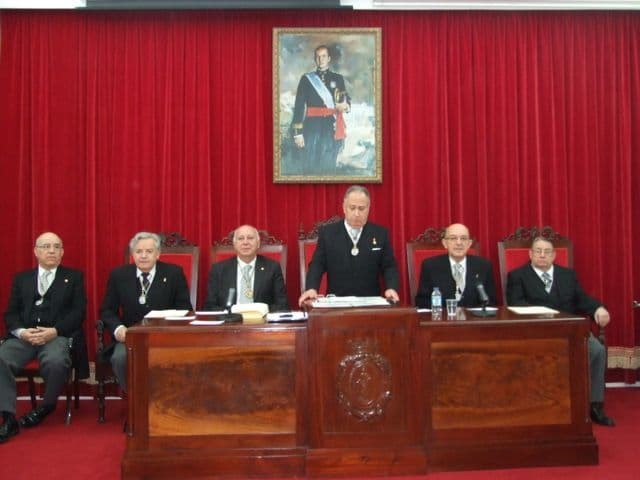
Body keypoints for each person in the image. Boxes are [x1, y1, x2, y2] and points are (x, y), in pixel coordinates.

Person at [506, 236, 614, 427]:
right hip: (537, 333)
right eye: (537, 251)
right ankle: (541, 404)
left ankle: (594, 404)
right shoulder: (517, 276)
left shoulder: (567, 275)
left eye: (547, 252)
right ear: (530, 254)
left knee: (596, 350)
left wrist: (598, 308)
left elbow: (582, 299)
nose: (542, 255)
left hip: (571, 331)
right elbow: (516, 304)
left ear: (554, 255)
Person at [0, 232, 86, 443]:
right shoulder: (22, 279)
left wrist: (54, 331)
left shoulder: (74, 277)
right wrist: (22, 332)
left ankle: (47, 406)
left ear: (62, 252)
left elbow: (78, 312)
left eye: (56, 247)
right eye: (46, 246)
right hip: (25, 336)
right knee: (1, 358)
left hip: (56, 335)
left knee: (56, 361)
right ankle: (8, 418)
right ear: (36, 251)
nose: (51, 251)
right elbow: (11, 313)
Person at [100, 231, 192, 392]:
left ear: (157, 254)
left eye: (149, 252)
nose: (143, 256)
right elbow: (107, 310)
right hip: (130, 337)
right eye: (139, 251)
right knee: (120, 358)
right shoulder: (119, 275)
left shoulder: (173, 273)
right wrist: (118, 329)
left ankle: (163, 401)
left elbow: (185, 309)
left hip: (165, 335)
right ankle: (135, 400)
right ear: (132, 254)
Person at [298, 185, 400, 306]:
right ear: (344, 208)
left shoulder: (380, 234)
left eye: (361, 208)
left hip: (370, 304)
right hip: (337, 303)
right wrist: (311, 288)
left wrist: (391, 288)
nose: (357, 213)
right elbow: (317, 264)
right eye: (352, 208)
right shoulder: (328, 233)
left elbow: (389, 266)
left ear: (368, 208)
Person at [291, 44, 350, 175]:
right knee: (310, 165)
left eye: (323, 56)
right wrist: (298, 133)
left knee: (328, 165)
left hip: (331, 127)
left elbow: (346, 98)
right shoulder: (306, 79)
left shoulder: (338, 78)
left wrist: (345, 105)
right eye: (318, 57)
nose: (321, 59)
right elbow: (299, 106)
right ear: (314, 59)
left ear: (329, 58)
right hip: (311, 128)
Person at [203, 225, 289, 312]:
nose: (245, 242)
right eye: (240, 238)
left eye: (250, 238)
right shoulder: (219, 270)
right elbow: (210, 307)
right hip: (229, 321)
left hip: (261, 321)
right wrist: (230, 312)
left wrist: (263, 310)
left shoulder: (272, 267)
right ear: (234, 244)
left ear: (258, 243)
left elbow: (282, 305)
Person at [415, 223, 497, 308]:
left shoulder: (483, 266)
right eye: (453, 238)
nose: (459, 243)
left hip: (474, 319)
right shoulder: (430, 266)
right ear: (445, 243)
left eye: (463, 238)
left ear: (469, 243)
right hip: (443, 319)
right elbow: (422, 302)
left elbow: (491, 301)